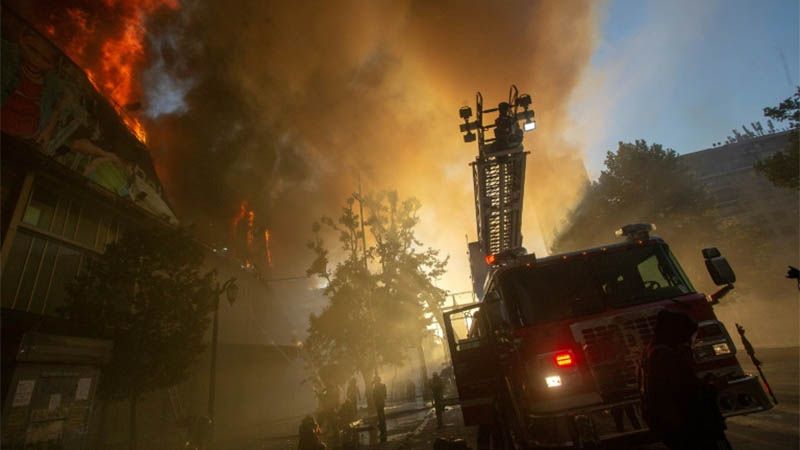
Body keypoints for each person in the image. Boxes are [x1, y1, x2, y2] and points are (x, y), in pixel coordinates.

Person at [640, 310, 731, 450]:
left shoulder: (651, 354)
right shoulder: (667, 357)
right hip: (693, 430)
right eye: (688, 336)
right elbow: (689, 395)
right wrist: (715, 387)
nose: (690, 341)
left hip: (675, 430)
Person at [372, 374, 387, 443]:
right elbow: (385, 395)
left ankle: (382, 425)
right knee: (382, 413)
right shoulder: (383, 385)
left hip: (378, 402)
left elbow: (374, 396)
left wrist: (375, 400)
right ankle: (383, 424)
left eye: (375, 381)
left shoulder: (375, 387)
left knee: (379, 413)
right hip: (381, 402)